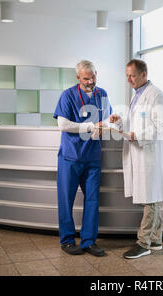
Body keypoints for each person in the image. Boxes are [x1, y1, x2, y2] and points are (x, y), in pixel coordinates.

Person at [53, 60, 114, 257]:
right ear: (78, 78)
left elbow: (107, 118)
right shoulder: (68, 95)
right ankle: (68, 240)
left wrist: (112, 121)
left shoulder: (102, 94)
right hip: (70, 157)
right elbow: (62, 124)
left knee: (92, 200)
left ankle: (89, 241)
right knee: (66, 200)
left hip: (92, 157)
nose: (91, 81)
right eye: (86, 78)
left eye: (93, 76)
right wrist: (89, 126)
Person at [114, 59, 163, 259]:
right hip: (139, 153)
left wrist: (136, 136)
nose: (129, 80)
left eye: (133, 76)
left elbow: (160, 127)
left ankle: (143, 243)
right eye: (127, 75)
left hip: (149, 156)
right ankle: (156, 239)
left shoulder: (157, 96)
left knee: (150, 200)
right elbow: (135, 122)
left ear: (144, 74)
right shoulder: (137, 95)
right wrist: (120, 121)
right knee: (151, 198)